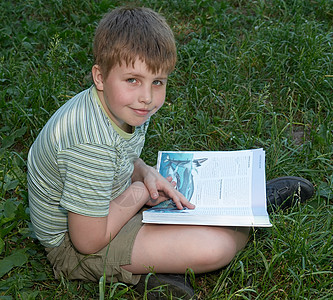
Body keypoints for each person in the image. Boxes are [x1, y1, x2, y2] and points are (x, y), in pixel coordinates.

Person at [27, 7, 314, 299]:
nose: (148, 98)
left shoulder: (123, 106)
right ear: (100, 77)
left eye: (158, 82)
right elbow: (87, 241)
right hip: (76, 246)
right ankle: (238, 221)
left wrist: (146, 172)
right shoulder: (89, 144)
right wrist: (140, 191)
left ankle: (243, 206)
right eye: (132, 80)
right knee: (219, 246)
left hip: (107, 205)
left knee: (184, 194)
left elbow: (120, 156)